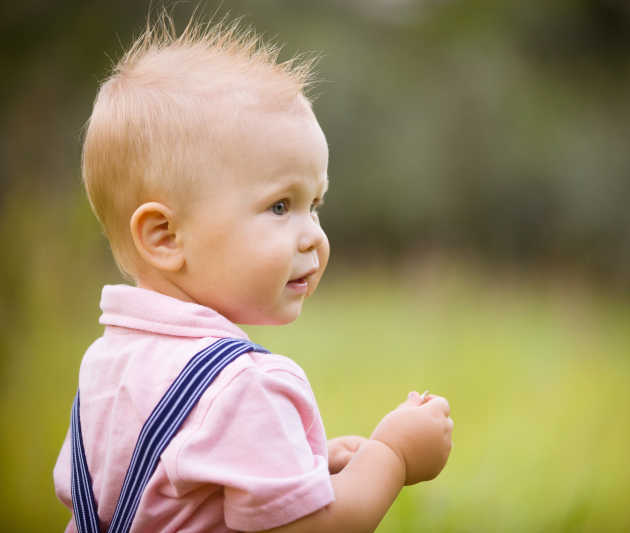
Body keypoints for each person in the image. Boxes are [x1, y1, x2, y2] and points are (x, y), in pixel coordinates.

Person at [53, 13, 453, 533]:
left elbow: (169, 492)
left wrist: (286, 464)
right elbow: (321, 526)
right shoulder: (243, 386)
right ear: (165, 237)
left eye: (316, 204)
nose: (312, 234)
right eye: (281, 206)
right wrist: (393, 455)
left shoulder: (107, 365)